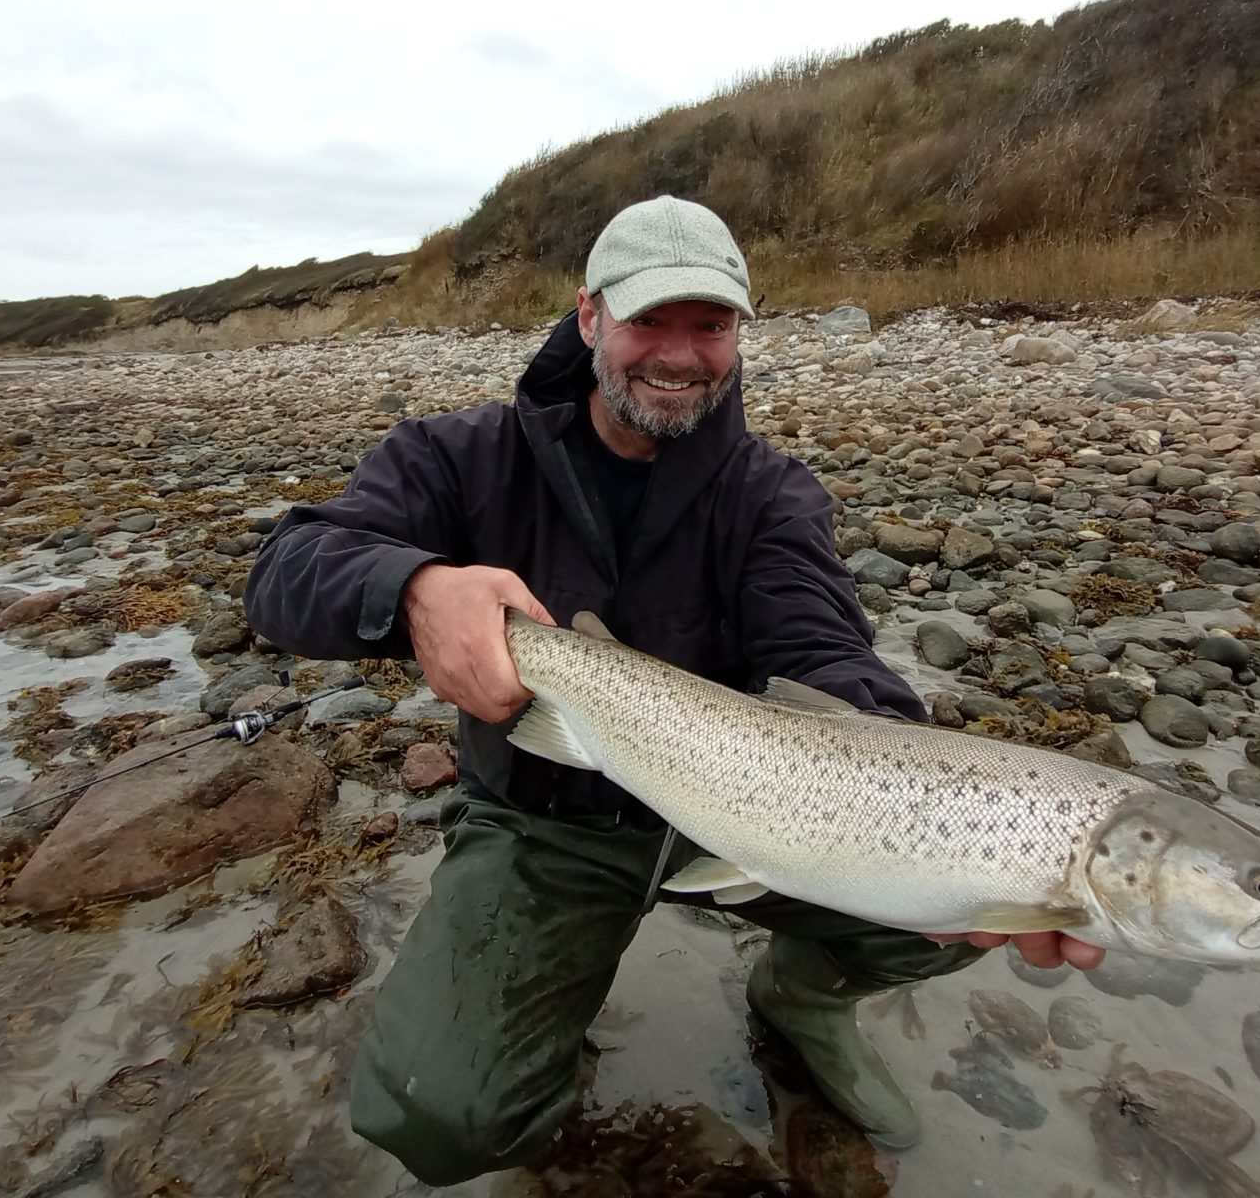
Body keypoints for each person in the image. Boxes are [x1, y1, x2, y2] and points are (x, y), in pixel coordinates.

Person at [242, 195, 1102, 1186]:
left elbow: (821, 646)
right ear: (588, 316)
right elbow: (289, 567)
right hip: (546, 819)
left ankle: (804, 996)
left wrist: (902, 775)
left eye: (713, 325)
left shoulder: (770, 494)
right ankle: (540, 1035)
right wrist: (416, 589)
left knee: (971, 901)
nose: (682, 355)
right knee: (437, 1116)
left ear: (741, 330)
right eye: (652, 319)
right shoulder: (458, 457)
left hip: (751, 813)